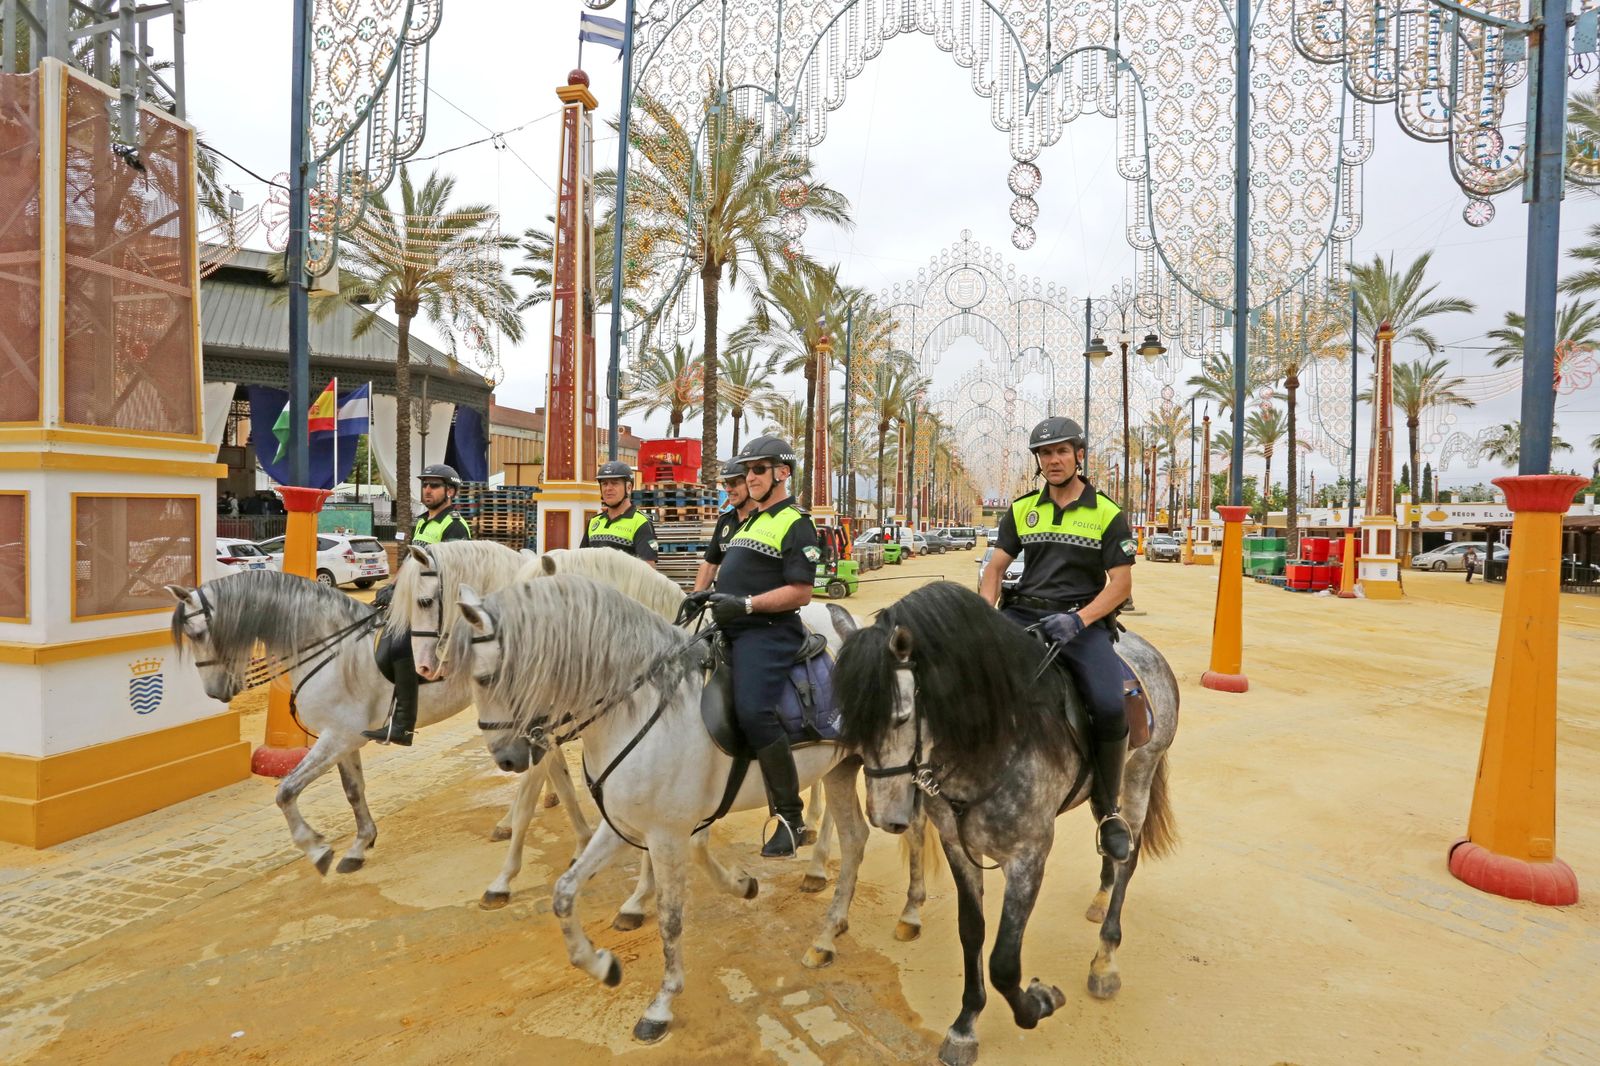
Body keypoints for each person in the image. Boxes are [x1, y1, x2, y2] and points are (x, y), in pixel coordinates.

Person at [979, 416, 1138, 861]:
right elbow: (994, 568)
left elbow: (1120, 585)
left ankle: (1108, 810)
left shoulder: (1106, 512)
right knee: (965, 677)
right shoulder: (1022, 510)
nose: (1053, 460)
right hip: (1022, 614)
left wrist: (1080, 620)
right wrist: (984, 613)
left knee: (1109, 705)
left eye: (1061, 452)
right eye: (1045, 454)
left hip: (1079, 624)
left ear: (1078, 456)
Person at [688, 436, 821, 858]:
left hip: (768, 632)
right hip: (728, 624)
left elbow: (801, 592)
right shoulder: (744, 521)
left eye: (759, 470)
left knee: (753, 710)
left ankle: (789, 818)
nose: (750, 478)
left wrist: (745, 604)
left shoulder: (796, 522)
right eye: (748, 471)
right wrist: (704, 596)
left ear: (783, 472)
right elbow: (725, 570)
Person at [363, 464, 472, 746]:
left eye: (434, 485)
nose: (427, 490)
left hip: (434, 606)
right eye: (425, 485)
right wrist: (392, 585)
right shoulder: (423, 522)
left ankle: (403, 726)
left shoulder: (455, 525)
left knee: (400, 646)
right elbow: (412, 562)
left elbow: (452, 576)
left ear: (450, 491)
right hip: (412, 599)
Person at [693, 459, 755, 593]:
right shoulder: (724, 521)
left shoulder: (765, 520)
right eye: (726, 484)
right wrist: (694, 597)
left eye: (734, 483)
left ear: (750, 482)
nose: (728, 489)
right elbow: (710, 564)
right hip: (724, 605)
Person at [581, 460, 659, 566]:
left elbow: (648, 570)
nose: (608, 488)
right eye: (604, 484)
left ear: (629, 488)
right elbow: (582, 563)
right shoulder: (594, 522)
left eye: (614, 483)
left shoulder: (641, 523)